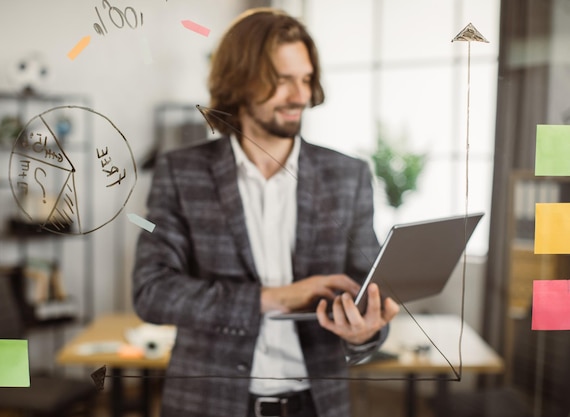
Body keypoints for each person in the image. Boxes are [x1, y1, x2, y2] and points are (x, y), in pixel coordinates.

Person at [132, 7, 399, 417]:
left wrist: (366, 330)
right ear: (238, 81)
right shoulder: (181, 172)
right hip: (207, 406)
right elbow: (151, 292)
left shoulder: (348, 175)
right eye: (281, 80)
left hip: (316, 406)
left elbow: (367, 288)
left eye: (306, 79)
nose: (301, 96)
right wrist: (274, 298)